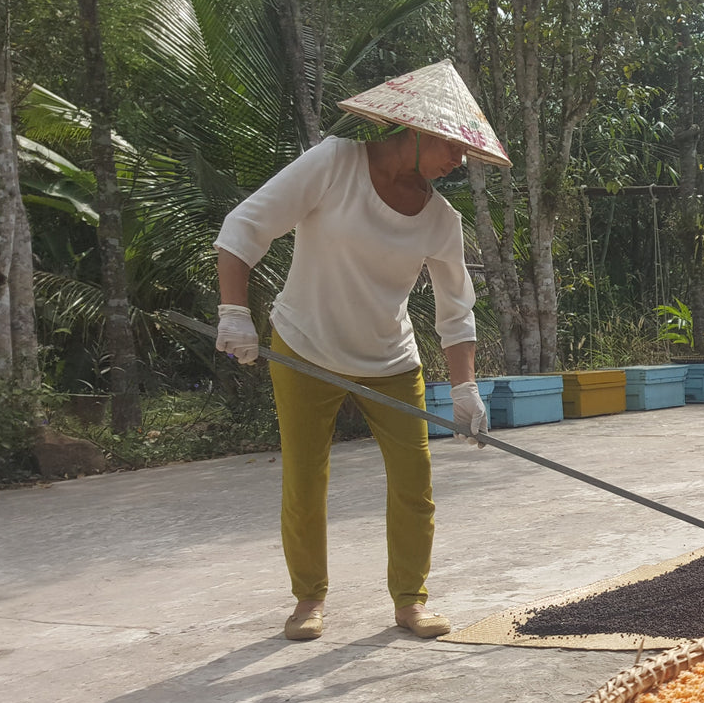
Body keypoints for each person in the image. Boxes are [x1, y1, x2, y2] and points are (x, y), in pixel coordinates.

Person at [209, 59, 512, 642]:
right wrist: (233, 313)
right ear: (417, 130)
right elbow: (245, 226)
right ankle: (308, 600)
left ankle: (410, 601)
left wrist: (466, 389)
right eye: (453, 146)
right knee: (304, 477)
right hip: (304, 347)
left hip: (390, 361)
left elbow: (456, 310)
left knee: (413, 481)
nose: (459, 161)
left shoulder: (441, 219)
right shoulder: (332, 164)